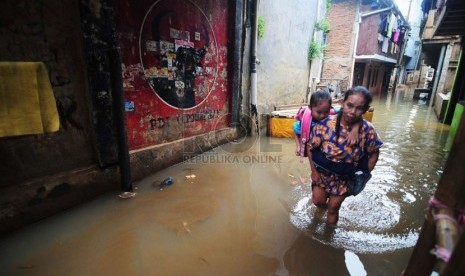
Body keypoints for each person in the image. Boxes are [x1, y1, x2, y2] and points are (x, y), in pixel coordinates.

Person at [307, 86, 383, 225]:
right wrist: (313, 171)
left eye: (359, 108)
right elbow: (310, 148)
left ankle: (328, 238)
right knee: (317, 201)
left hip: (345, 178)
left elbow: (374, 153)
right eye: (349, 105)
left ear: (365, 109)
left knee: (333, 208)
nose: (353, 112)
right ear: (342, 103)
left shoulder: (368, 130)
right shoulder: (324, 125)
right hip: (323, 173)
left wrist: (363, 175)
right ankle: (321, 215)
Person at [293, 90, 360, 162]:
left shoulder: (333, 112)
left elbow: (355, 116)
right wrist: (298, 146)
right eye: (318, 112)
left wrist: (355, 129)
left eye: (326, 112)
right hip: (313, 145)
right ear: (310, 108)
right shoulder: (305, 122)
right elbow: (295, 129)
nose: (322, 116)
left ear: (330, 108)